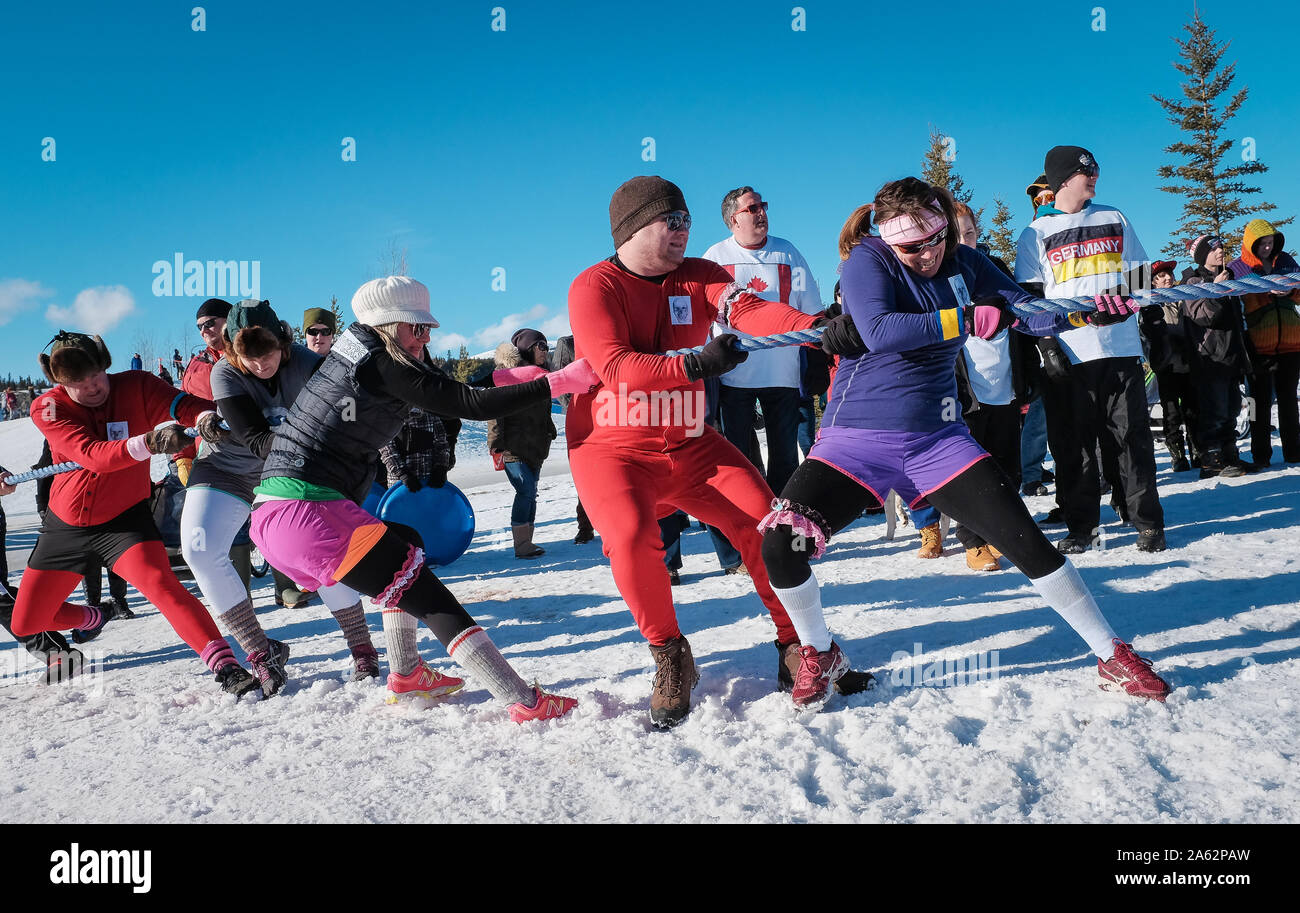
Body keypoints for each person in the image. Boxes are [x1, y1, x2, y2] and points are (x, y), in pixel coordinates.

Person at [759, 176, 1172, 711]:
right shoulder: (869, 259)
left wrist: (1086, 311)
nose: (929, 255)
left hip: (937, 440)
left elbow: (1026, 309)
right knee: (781, 546)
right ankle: (820, 650)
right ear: (891, 239)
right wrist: (964, 317)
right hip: (854, 439)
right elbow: (882, 330)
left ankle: (1110, 653)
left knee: (1025, 540)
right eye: (914, 247)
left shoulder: (966, 261)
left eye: (937, 240)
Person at [564, 175, 871, 728]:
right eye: (671, 221)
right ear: (634, 227)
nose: (685, 230)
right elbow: (614, 366)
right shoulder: (594, 286)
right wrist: (694, 364)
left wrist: (812, 326)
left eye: (688, 219)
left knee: (769, 528)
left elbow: (749, 310)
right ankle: (670, 654)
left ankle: (796, 644)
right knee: (634, 539)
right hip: (614, 447)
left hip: (690, 441)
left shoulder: (701, 276)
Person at [250, 276, 590, 721]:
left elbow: (451, 388)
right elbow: (470, 401)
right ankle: (522, 702)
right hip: (307, 514)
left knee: (406, 542)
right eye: (417, 328)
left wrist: (534, 375)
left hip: (282, 513)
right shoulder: (379, 363)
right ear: (388, 325)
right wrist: (559, 382)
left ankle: (407, 673)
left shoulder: (363, 353)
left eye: (429, 329)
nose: (426, 337)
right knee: (433, 600)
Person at [7, 331, 260, 695]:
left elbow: (183, 404)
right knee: (27, 622)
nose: (92, 386)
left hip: (124, 522)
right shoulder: (47, 406)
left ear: (104, 365)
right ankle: (95, 615)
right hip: (66, 526)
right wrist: (150, 442)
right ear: (61, 383)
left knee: (163, 588)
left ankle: (227, 667)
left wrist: (204, 416)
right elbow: (93, 454)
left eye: (96, 375)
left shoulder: (136, 385)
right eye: (78, 382)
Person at [180, 299, 376, 696]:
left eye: (266, 353)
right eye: (247, 357)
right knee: (198, 547)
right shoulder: (224, 373)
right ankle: (260, 651)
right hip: (228, 467)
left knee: (316, 548)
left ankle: (361, 646)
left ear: (283, 342)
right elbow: (255, 440)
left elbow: (351, 410)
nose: (259, 365)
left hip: (290, 472)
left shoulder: (307, 362)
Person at [1015, 146, 1167, 553]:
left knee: (1130, 438)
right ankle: (1082, 527)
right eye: (1087, 171)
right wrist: (1047, 345)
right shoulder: (1035, 234)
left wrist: (1124, 300)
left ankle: (1147, 522)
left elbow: (1139, 273)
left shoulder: (1113, 216)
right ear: (1063, 178)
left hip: (1120, 349)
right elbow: (1028, 302)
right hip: (1068, 356)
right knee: (1072, 445)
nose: (1095, 176)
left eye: (1096, 169)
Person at [700, 187, 824, 573]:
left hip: (782, 373)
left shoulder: (789, 252)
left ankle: (785, 543)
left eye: (763, 206)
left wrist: (816, 355)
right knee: (741, 462)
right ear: (732, 219)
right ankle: (742, 548)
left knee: (786, 460)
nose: (761, 213)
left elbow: (812, 308)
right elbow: (705, 318)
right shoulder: (715, 257)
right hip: (735, 376)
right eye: (751, 208)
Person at [950, 201, 1041, 571]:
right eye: (956, 235)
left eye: (969, 233)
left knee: (1008, 465)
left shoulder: (994, 268)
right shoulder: (941, 276)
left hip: (1005, 385)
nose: (964, 241)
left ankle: (1003, 533)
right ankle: (973, 541)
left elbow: (1027, 314)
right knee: (972, 471)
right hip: (965, 393)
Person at [1227, 219, 1300, 467]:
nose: (1268, 248)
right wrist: (1267, 293)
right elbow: (1238, 302)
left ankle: (1293, 450)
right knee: (1258, 401)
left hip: (1291, 342)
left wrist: (1289, 291)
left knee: (1289, 398)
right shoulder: (1237, 268)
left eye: (1271, 243)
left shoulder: (1286, 261)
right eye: (1262, 244)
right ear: (1251, 243)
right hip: (1257, 344)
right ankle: (1260, 453)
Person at [481, 328, 556, 559]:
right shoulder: (507, 375)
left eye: (546, 347)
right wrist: (495, 442)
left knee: (530, 491)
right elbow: (495, 410)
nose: (545, 351)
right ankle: (521, 544)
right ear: (527, 348)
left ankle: (527, 542)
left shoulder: (540, 374)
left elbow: (543, 411)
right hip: (513, 446)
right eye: (540, 346)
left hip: (536, 445)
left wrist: (550, 431)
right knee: (525, 489)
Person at [1180, 235, 1250, 476]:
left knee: (1231, 410)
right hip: (1209, 357)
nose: (1221, 251)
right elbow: (1202, 315)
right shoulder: (1192, 281)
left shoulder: (1229, 277)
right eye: (1214, 248)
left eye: (1222, 247)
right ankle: (1211, 461)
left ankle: (1230, 455)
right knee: (1214, 411)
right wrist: (1217, 291)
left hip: (1231, 354)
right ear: (1202, 255)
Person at [1140, 260, 1203, 474]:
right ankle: (1177, 454)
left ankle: (1197, 450)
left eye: (1169, 274)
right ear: (1153, 281)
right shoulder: (1150, 304)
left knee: (1193, 409)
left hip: (1187, 362)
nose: (1168, 278)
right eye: (1162, 275)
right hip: (1166, 365)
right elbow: (1147, 334)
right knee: (1171, 412)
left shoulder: (1182, 297)